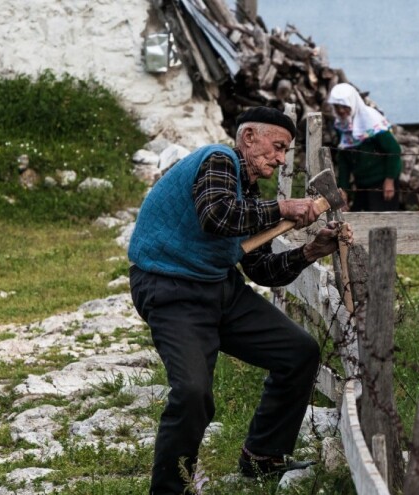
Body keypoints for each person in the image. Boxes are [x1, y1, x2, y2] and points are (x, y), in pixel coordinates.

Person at [128, 106, 350, 494]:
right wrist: (283, 207)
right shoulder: (218, 160)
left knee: (298, 352)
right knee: (193, 392)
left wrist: (312, 251)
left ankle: (263, 456)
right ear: (248, 138)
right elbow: (217, 216)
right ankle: (170, 489)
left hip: (218, 287)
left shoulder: (245, 191)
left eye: (285, 151)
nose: (281, 158)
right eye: (277, 146)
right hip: (170, 289)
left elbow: (262, 269)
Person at [327, 83, 403, 212]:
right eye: (337, 106)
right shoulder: (342, 126)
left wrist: (389, 181)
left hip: (382, 183)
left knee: (382, 225)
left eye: (344, 106)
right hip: (362, 185)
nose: (340, 110)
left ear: (352, 103)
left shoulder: (372, 122)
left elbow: (394, 150)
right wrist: (343, 190)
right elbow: (344, 161)